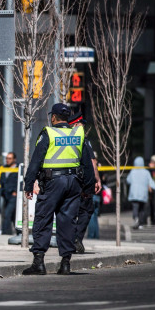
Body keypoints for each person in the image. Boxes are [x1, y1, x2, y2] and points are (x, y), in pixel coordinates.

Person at [22, 103, 96, 276]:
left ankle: (39, 262)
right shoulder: (77, 134)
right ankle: (65, 263)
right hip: (74, 183)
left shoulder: (49, 133)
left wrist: (29, 184)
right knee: (67, 221)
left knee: (43, 218)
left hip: (52, 182)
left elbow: (36, 161)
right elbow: (87, 163)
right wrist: (88, 188)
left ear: (53, 117)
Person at [68, 112, 101, 254]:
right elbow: (92, 162)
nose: (83, 127)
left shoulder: (61, 138)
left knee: (67, 211)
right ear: (76, 125)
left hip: (65, 181)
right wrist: (96, 179)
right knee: (86, 210)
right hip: (82, 182)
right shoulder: (83, 140)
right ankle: (76, 239)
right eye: (82, 124)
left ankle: (67, 240)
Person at [127, 156, 155, 229]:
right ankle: (141, 223)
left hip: (134, 193)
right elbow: (151, 182)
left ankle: (136, 218)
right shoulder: (146, 172)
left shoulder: (133, 171)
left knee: (135, 207)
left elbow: (128, 180)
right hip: (143, 194)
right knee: (142, 209)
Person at [0, 152, 18, 235]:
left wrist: (16, 191)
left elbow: (21, 181)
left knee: (7, 214)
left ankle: (6, 233)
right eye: (7, 158)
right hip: (5, 195)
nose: (7, 160)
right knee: (11, 215)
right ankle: (19, 232)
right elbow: (2, 180)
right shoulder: (4, 168)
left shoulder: (18, 168)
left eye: (10, 158)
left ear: (14, 159)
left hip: (13, 195)